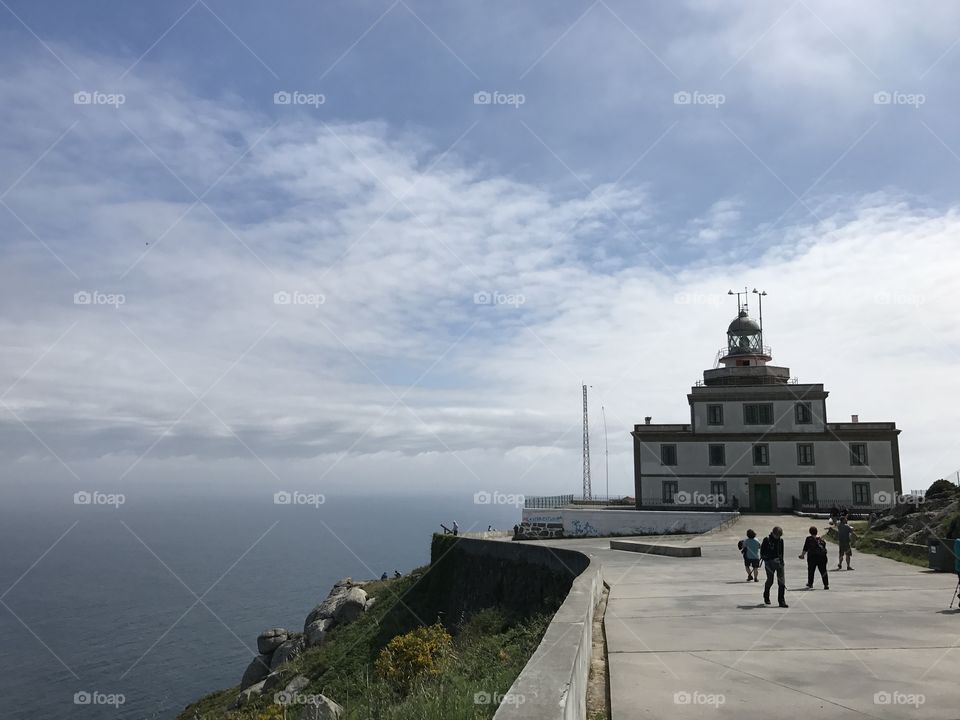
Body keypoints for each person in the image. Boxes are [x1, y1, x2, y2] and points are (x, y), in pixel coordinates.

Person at [760, 526, 788, 607]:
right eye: (777, 535)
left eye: (779, 536)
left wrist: (782, 562)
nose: (778, 537)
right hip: (769, 563)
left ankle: (781, 601)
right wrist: (767, 559)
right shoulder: (766, 540)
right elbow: (762, 552)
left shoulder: (781, 540)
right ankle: (766, 596)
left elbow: (781, 552)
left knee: (781, 582)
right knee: (770, 580)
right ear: (773, 533)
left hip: (779, 563)